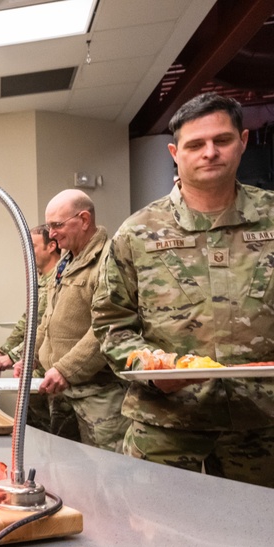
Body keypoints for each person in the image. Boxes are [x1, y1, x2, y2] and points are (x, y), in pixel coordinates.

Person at [92, 92, 274, 486]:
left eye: (221, 140)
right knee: (157, 534)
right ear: (175, 152)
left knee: (260, 541)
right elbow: (111, 324)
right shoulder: (137, 232)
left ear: (243, 141)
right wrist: (149, 368)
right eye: (195, 144)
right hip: (166, 422)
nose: (209, 153)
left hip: (262, 423)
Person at [16, 189, 130, 451]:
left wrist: (66, 369)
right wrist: (32, 356)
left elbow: (106, 327)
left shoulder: (109, 259)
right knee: (67, 472)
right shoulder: (65, 262)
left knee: (107, 476)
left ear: (84, 219)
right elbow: (48, 318)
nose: (52, 234)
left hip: (98, 396)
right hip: (61, 392)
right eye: (49, 226)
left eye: (57, 225)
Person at [0, 225, 60, 371]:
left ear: (51, 246)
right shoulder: (43, 279)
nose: (29, 253)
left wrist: (12, 356)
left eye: (33, 247)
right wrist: (5, 350)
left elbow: (42, 326)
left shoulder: (58, 278)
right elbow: (27, 320)